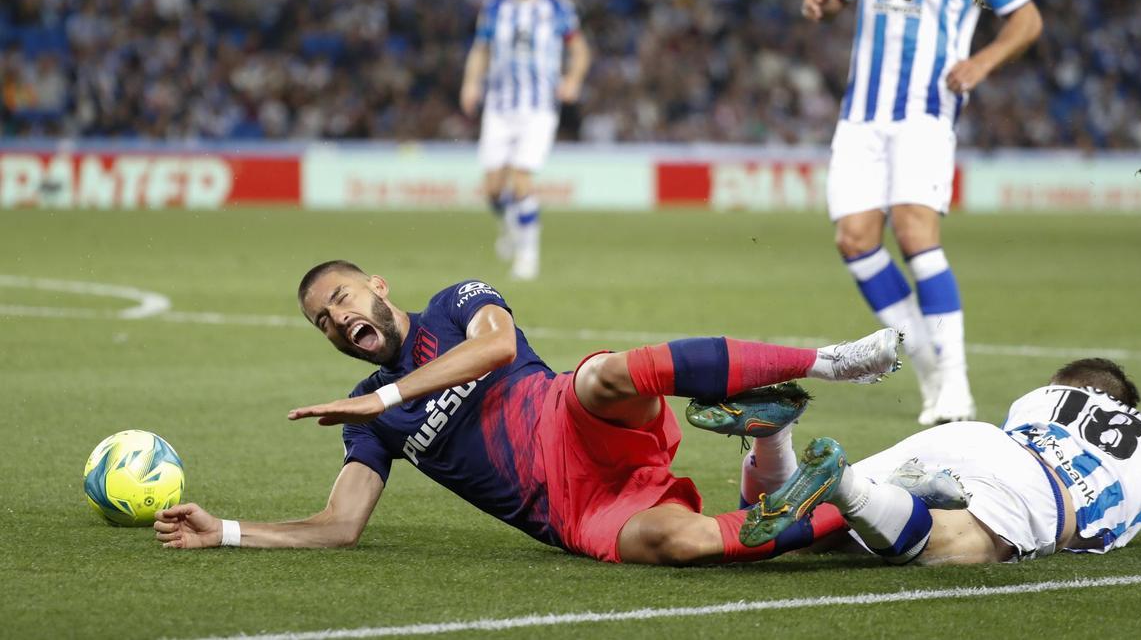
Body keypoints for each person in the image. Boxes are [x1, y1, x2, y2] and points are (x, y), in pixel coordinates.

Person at [152, 260, 905, 564]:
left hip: (570, 417)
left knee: (606, 373)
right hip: (576, 513)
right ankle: (854, 501)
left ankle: (832, 361)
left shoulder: (455, 305)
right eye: (323, 319)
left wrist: (385, 392)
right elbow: (341, 525)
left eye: (341, 297)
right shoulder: (367, 426)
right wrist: (228, 533)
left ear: (377, 284)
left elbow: (499, 347)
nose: (337, 317)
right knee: (680, 542)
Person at [802, 0, 1044, 424]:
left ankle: (955, 384)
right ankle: (933, 372)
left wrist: (984, 61)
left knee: (914, 234)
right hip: (861, 113)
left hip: (925, 112)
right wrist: (823, 1)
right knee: (855, 240)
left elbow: (1026, 19)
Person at [692, 357, 1141, 564]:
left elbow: (999, 452)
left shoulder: (1038, 400)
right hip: (1036, 489)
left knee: (812, 539)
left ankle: (776, 436)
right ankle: (848, 487)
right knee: (953, 542)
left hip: (968, 438)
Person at [459, 0, 592, 280]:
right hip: (499, 106)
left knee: (520, 177)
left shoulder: (558, 9)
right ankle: (511, 225)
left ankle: (527, 257)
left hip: (538, 106)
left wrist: (573, 80)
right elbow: (481, 49)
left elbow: (580, 51)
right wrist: (471, 83)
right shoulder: (494, 8)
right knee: (491, 188)